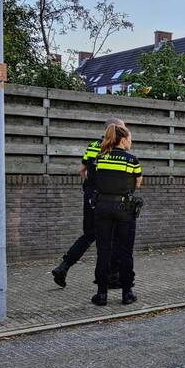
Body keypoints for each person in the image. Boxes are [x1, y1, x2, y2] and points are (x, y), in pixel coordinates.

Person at [52, 118, 126, 288]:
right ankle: (109, 277)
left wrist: (88, 188)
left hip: (90, 198)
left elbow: (81, 170)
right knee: (112, 237)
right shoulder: (115, 148)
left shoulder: (93, 145)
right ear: (117, 129)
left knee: (88, 235)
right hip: (106, 200)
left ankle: (63, 267)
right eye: (124, 129)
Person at [90, 124, 142, 306]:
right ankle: (127, 293)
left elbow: (96, 178)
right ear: (122, 139)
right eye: (129, 138)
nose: (131, 142)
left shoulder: (100, 158)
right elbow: (137, 184)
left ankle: (101, 294)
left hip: (102, 206)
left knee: (103, 250)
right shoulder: (132, 160)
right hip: (124, 209)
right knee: (125, 251)